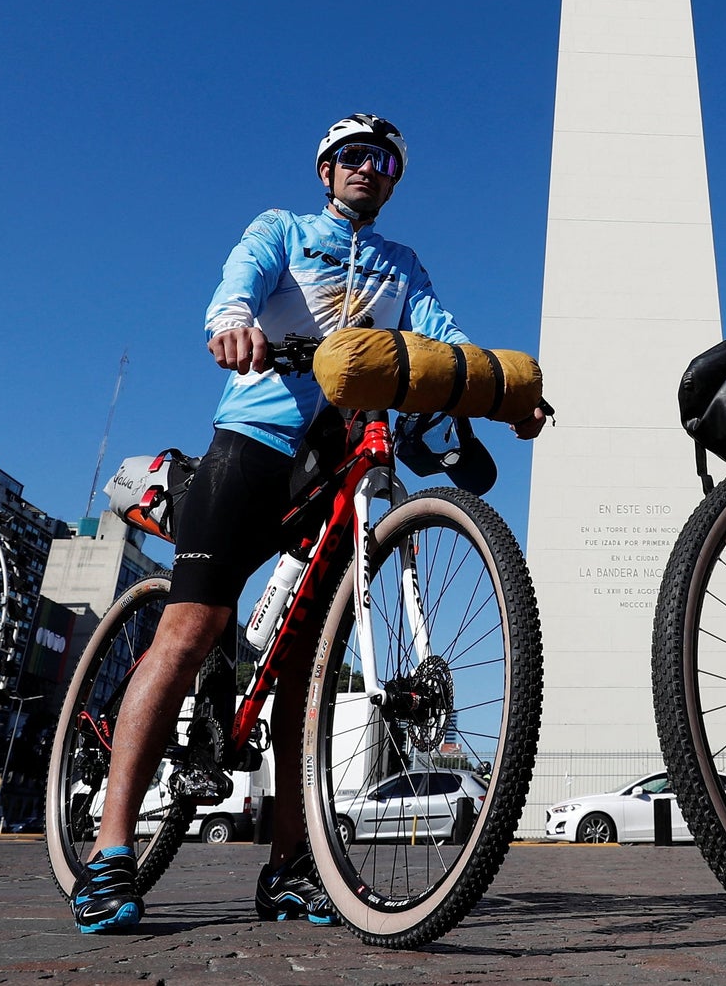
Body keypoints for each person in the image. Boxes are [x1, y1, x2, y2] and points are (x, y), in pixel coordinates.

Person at [71, 113, 546, 934]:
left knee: (307, 673)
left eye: (385, 159)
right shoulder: (282, 228)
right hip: (254, 440)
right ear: (326, 170)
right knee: (188, 628)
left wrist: (502, 390)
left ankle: (289, 864)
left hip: (343, 460)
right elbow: (240, 283)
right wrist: (232, 324)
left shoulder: (404, 266)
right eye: (352, 155)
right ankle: (111, 851)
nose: (369, 166)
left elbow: (444, 338)